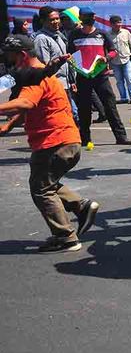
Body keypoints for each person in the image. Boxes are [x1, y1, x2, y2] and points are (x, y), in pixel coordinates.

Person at [0, 35, 100, 253]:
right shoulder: (42, 75)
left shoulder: (34, 78)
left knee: (41, 189)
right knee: (46, 183)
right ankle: (81, 206)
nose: (9, 63)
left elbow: (26, 101)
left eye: (11, 57)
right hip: (67, 140)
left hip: (53, 142)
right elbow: (31, 105)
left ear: (22, 55)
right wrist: (9, 125)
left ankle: (66, 237)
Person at [66, 6, 131, 146]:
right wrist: (73, 71)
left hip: (100, 76)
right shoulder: (74, 35)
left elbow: (113, 51)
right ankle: (85, 138)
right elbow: (70, 55)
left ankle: (121, 137)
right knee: (84, 109)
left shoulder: (102, 34)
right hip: (83, 76)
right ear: (81, 18)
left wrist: (106, 58)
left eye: (93, 16)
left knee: (110, 106)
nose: (91, 19)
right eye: (88, 16)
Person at [33, 6, 78, 121]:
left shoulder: (58, 36)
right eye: (52, 19)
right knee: (63, 117)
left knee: (71, 115)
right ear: (43, 21)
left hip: (65, 83)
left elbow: (66, 62)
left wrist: (71, 80)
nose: (56, 22)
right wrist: (59, 60)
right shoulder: (41, 39)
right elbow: (44, 67)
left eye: (57, 19)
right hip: (54, 86)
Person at [108, 15, 131, 105]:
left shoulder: (126, 33)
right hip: (115, 62)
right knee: (119, 81)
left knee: (130, 78)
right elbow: (106, 49)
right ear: (111, 24)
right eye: (117, 23)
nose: (119, 25)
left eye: (120, 23)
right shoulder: (108, 35)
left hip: (126, 59)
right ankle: (123, 97)